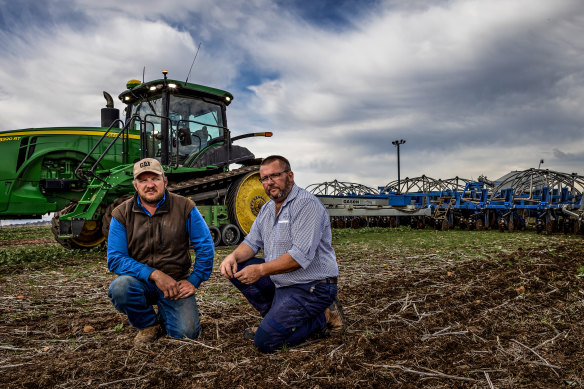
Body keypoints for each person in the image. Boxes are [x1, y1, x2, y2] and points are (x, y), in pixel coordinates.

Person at [219, 155, 345, 353]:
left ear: (290, 176)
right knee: (239, 268)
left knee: (265, 343)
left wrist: (260, 269)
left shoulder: (306, 205)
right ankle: (274, 318)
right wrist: (232, 257)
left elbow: (299, 257)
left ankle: (324, 316)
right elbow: (252, 242)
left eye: (275, 176)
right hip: (283, 282)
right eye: (264, 179)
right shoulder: (268, 209)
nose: (270, 183)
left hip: (311, 287)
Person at [107, 158, 215, 346]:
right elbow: (115, 259)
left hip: (176, 282)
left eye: (155, 179)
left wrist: (194, 280)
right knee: (120, 288)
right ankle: (148, 324)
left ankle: (168, 311)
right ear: (135, 185)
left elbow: (205, 246)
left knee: (186, 334)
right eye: (143, 180)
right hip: (141, 282)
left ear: (165, 181)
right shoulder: (121, 213)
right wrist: (154, 274)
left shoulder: (184, 207)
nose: (150, 185)